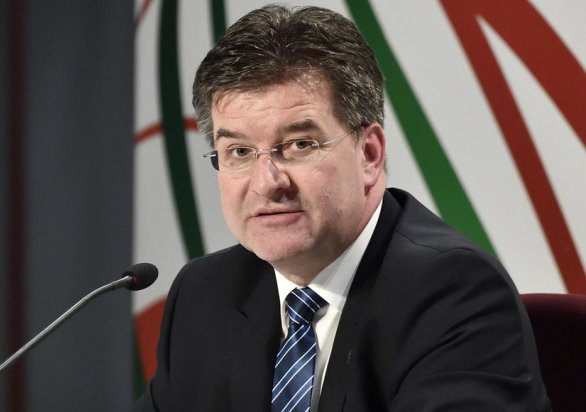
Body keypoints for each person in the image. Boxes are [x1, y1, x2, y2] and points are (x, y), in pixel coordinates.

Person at [132, 4, 550, 412]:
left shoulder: (454, 292)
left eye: (299, 144)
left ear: (369, 154)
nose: (266, 183)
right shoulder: (207, 292)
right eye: (239, 151)